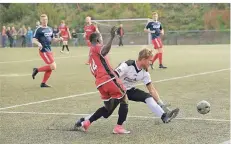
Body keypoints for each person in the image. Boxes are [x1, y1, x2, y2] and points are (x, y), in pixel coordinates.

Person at [75, 48, 179, 127]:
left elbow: (151, 89)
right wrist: (116, 91)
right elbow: (113, 76)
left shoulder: (145, 73)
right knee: (107, 112)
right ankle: (83, 120)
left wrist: (160, 103)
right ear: (143, 59)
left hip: (130, 91)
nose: (151, 63)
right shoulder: (127, 65)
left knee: (148, 98)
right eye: (150, 60)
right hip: (118, 90)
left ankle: (164, 116)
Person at [74, 26, 130, 134]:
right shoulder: (96, 47)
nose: (102, 41)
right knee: (124, 99)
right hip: (108, 79)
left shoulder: (91, 54)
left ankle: (87, 122)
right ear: (98, 40)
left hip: (100, 84)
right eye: (101, 38)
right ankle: (119, 127)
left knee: (108, 109)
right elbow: (104, 51)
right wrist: (112, 37)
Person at [32, 14, 63, 88]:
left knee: (51, 67)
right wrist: (38, 43)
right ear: (40, 21)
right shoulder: (38, 29)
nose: (45, 21)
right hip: (43, 50)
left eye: (46, 19)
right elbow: (33, 40)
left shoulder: (50, 29)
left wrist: (59, 39)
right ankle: (36, 70)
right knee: (53, 66)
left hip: (49, 50)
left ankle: (43, 83)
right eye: (43, 20)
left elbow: (53, 39)